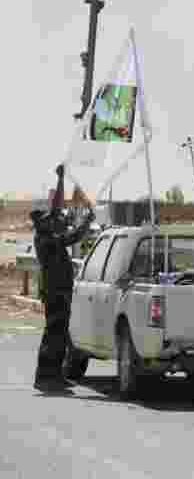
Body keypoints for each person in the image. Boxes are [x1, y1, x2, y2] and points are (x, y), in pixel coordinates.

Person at [30, 164, 95, 393]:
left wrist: (61, 179)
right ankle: (45, 377)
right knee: (54, 335)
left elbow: (56, 208)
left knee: (59, 335)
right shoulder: (45, 240)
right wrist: (86, 223)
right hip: (55, 293)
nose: (54, 219)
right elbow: (73, 236)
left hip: (60, 291)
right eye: (48, 219)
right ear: (41, 223)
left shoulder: (47, 232)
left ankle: (54, 375)